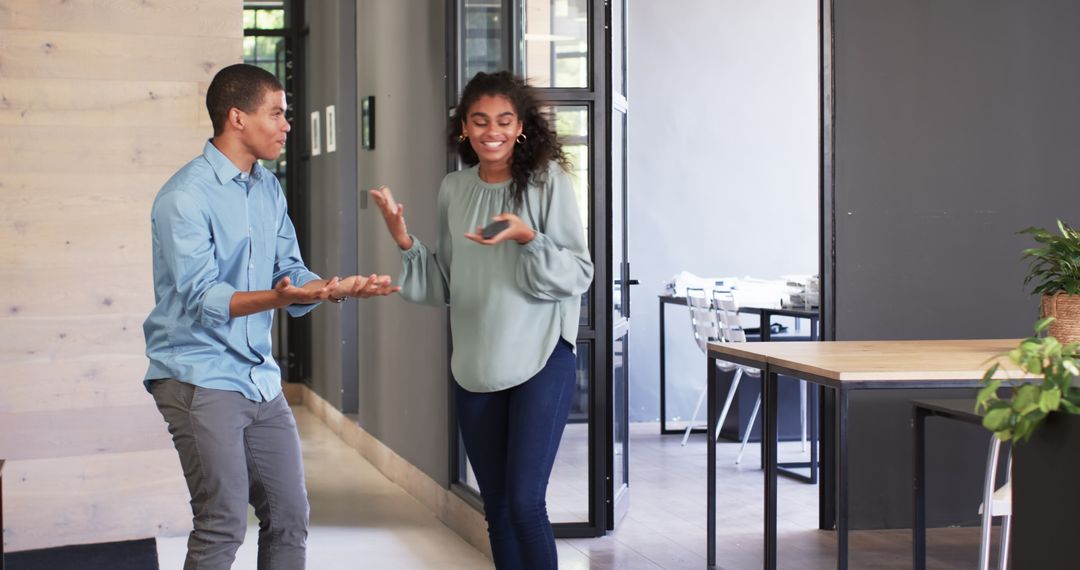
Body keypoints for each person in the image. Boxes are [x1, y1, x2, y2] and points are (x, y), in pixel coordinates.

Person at [143, 63, 398, 570]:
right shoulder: (184, 197)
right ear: (237, 118)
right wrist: (280, 298)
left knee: (289, 517)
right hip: (199, 375)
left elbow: (289, 270)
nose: (287, 125)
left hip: (258, 378)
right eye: (277, 113)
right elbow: (203, 299)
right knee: (222, 523)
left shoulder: (267, 187)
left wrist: (328, 288)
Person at [370, 71, 594, 569]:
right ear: (464, 130)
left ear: (520, 127)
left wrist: (526, 236)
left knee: (524, 502)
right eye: (480, 121)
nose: (491, 130)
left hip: (541, 356)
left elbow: (578, 273)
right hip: (475, 363)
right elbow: (447, 284)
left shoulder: (547, 183)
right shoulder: (454, 189)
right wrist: (403, 238)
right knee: (495, 507)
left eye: (503, 120)